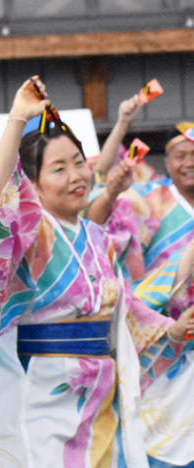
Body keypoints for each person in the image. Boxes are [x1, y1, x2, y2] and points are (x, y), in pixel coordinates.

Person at [0, 77, 194, 467]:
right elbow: (0, 193)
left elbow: (125, 311)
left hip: (102, 391)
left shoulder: (97, 236)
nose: (77, 175)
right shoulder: (32, 230)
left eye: (79, 162)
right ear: (33, 186)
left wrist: (170, 330)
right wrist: (17, 119)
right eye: (58, 169)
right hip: (42, 390)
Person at [87, 122, 194, 467]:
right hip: (164, 337)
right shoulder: (147, 201)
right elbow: (95, 228)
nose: (189, 162)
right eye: (181, 155)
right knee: (161, 442)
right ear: (167, 162)